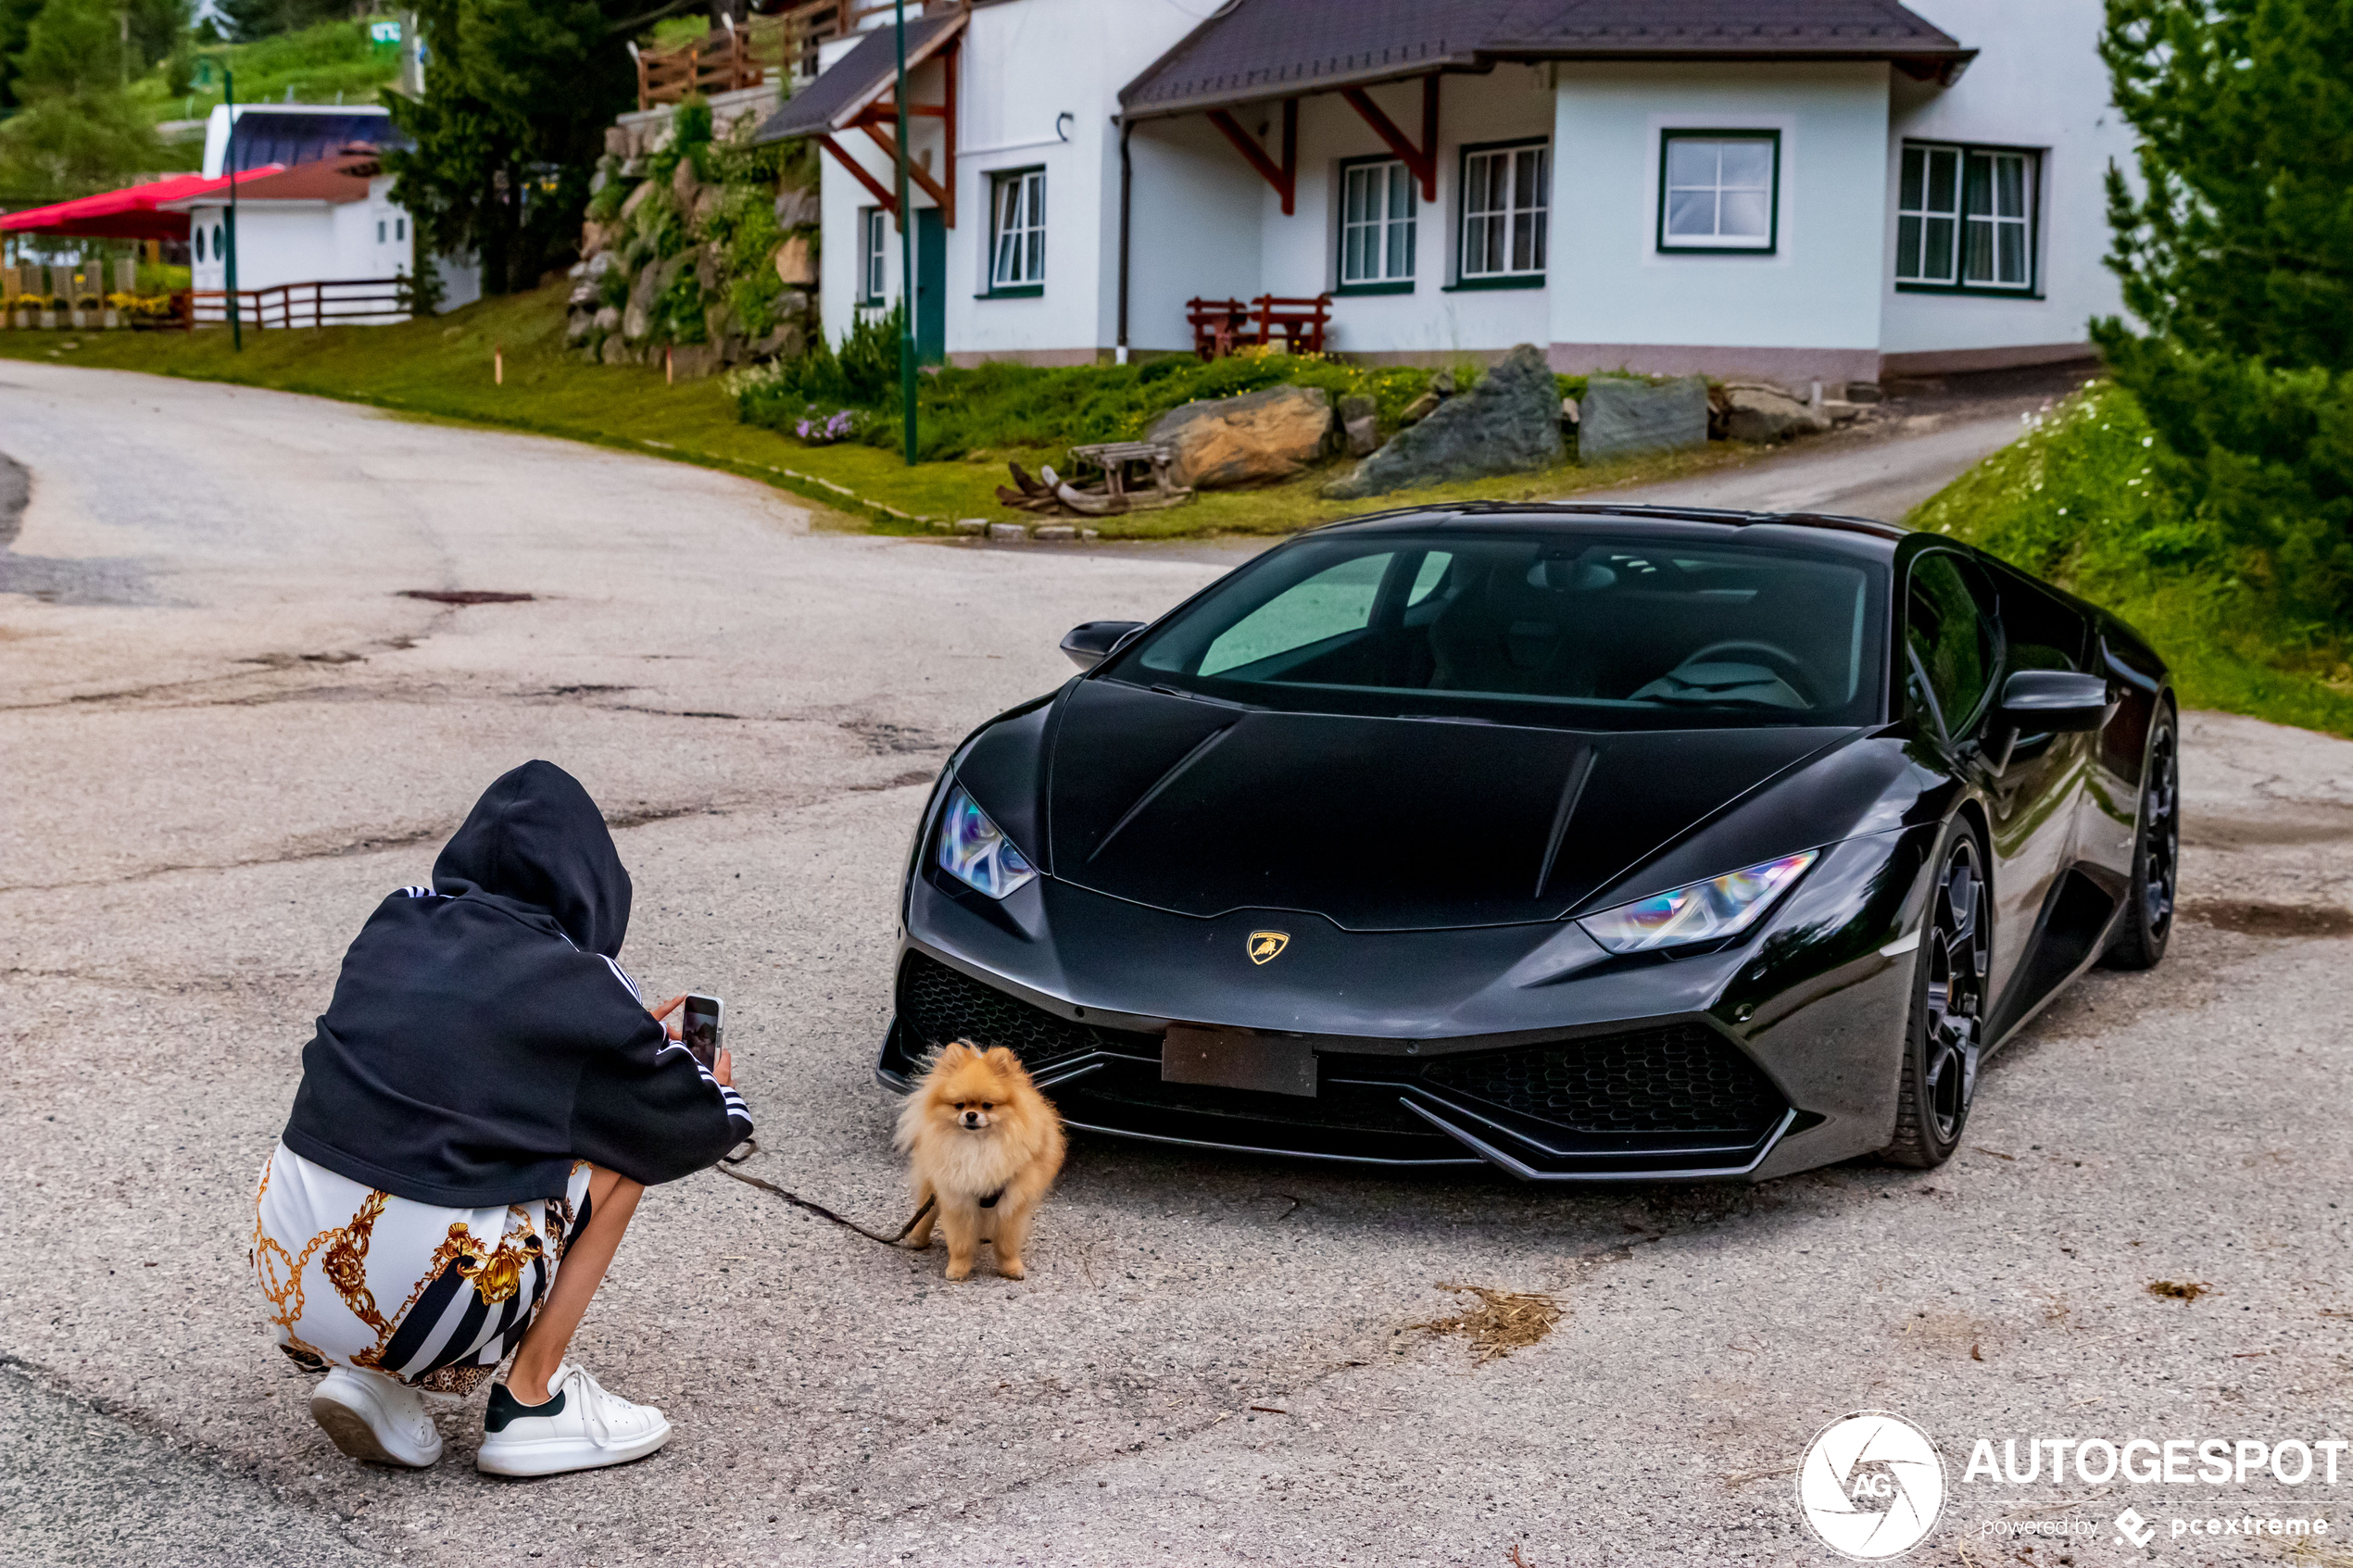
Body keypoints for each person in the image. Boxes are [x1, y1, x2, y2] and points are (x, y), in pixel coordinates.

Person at [250, 760, 751, 1477]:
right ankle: (531, 1400)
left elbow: (467, 1044)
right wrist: (698, 1076)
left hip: (289, 1274)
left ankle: (371, 1375)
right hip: (426, 1297)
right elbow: (695, 1124)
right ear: (592, 879)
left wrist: (600, 1051)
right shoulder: (575, 980)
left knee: (408, 1131)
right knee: (624, 1150)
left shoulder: (397, 914)